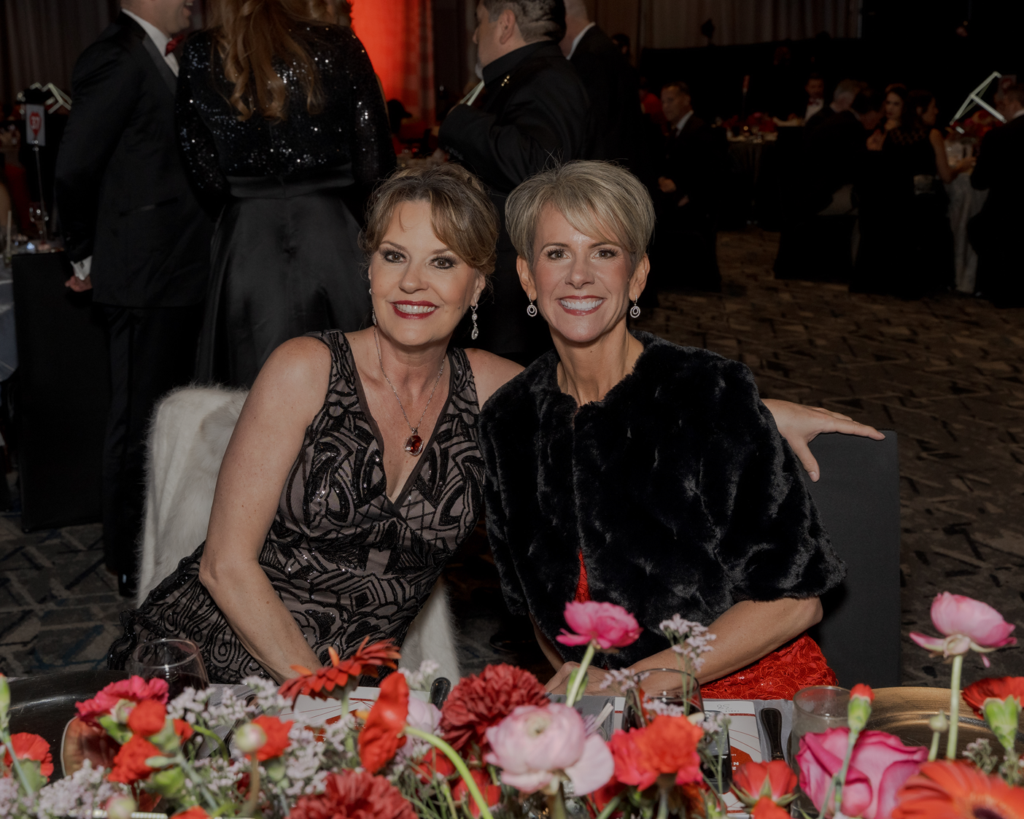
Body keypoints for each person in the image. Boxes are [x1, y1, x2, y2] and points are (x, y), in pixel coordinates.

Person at [107, 165, 520, 683]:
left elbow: (589, 459)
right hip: (218, 663)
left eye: (442, 261)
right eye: (394, 256)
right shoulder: (306, 369)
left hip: (356, 686)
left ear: (477, 283)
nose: (412, 281)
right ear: (369, 269)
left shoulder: (496, 389)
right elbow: (225, 566)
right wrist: (321, 699)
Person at [480, 161, 875, 700]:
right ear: (528, 276)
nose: (579, 275)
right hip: (606, 703)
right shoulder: (509, 422)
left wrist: (634, 684)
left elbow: (795, 600)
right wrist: (589, 693)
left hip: (742, 692)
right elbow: (538, 610)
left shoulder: (708, 393)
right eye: (557, 253)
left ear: (637, 274)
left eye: (604, 252)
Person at [55, 0, 213, 598]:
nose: (190, 1)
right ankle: (126, 554)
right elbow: (74, 166)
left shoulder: (165, 55)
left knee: (174, 415)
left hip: (180, 270)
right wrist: (83, 253)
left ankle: (171, 541)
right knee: (138, 420)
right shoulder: (115, 55)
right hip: (143, 273)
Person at [178, 0, 395, 389]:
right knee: (350, 385)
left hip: (247, 241)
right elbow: (375, 164)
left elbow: (201, 170)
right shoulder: (339, 43)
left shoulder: (201, 52)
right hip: (332, 237)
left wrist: (242, 205)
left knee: (249, 394)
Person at [439, 0, 588, 365]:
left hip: (516, 302)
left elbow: (540, 165)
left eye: (478, 22)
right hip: (510, 294)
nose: (475, 35)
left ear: (505, 24)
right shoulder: (530, 74)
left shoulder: (546, 77)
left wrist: (460, 122)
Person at [651, 81, 725, 292]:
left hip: (695, 206)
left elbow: (712, 173)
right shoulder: (676, 132)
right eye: (663, 101)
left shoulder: (699, 130)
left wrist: (685, 192)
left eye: (671, 100)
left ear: (686, 100)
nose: (665, 106)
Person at [561, 0, 640, 167]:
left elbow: (593, 130)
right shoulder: (598, 46)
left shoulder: (590, 56)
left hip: (608, 171)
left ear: (564, 18)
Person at [970, 81, 1024, 307]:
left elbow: (978, 181)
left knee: (978, 227)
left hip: (1003, 213)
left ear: (1012, 103)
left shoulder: (997, 137)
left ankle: (993, 288)